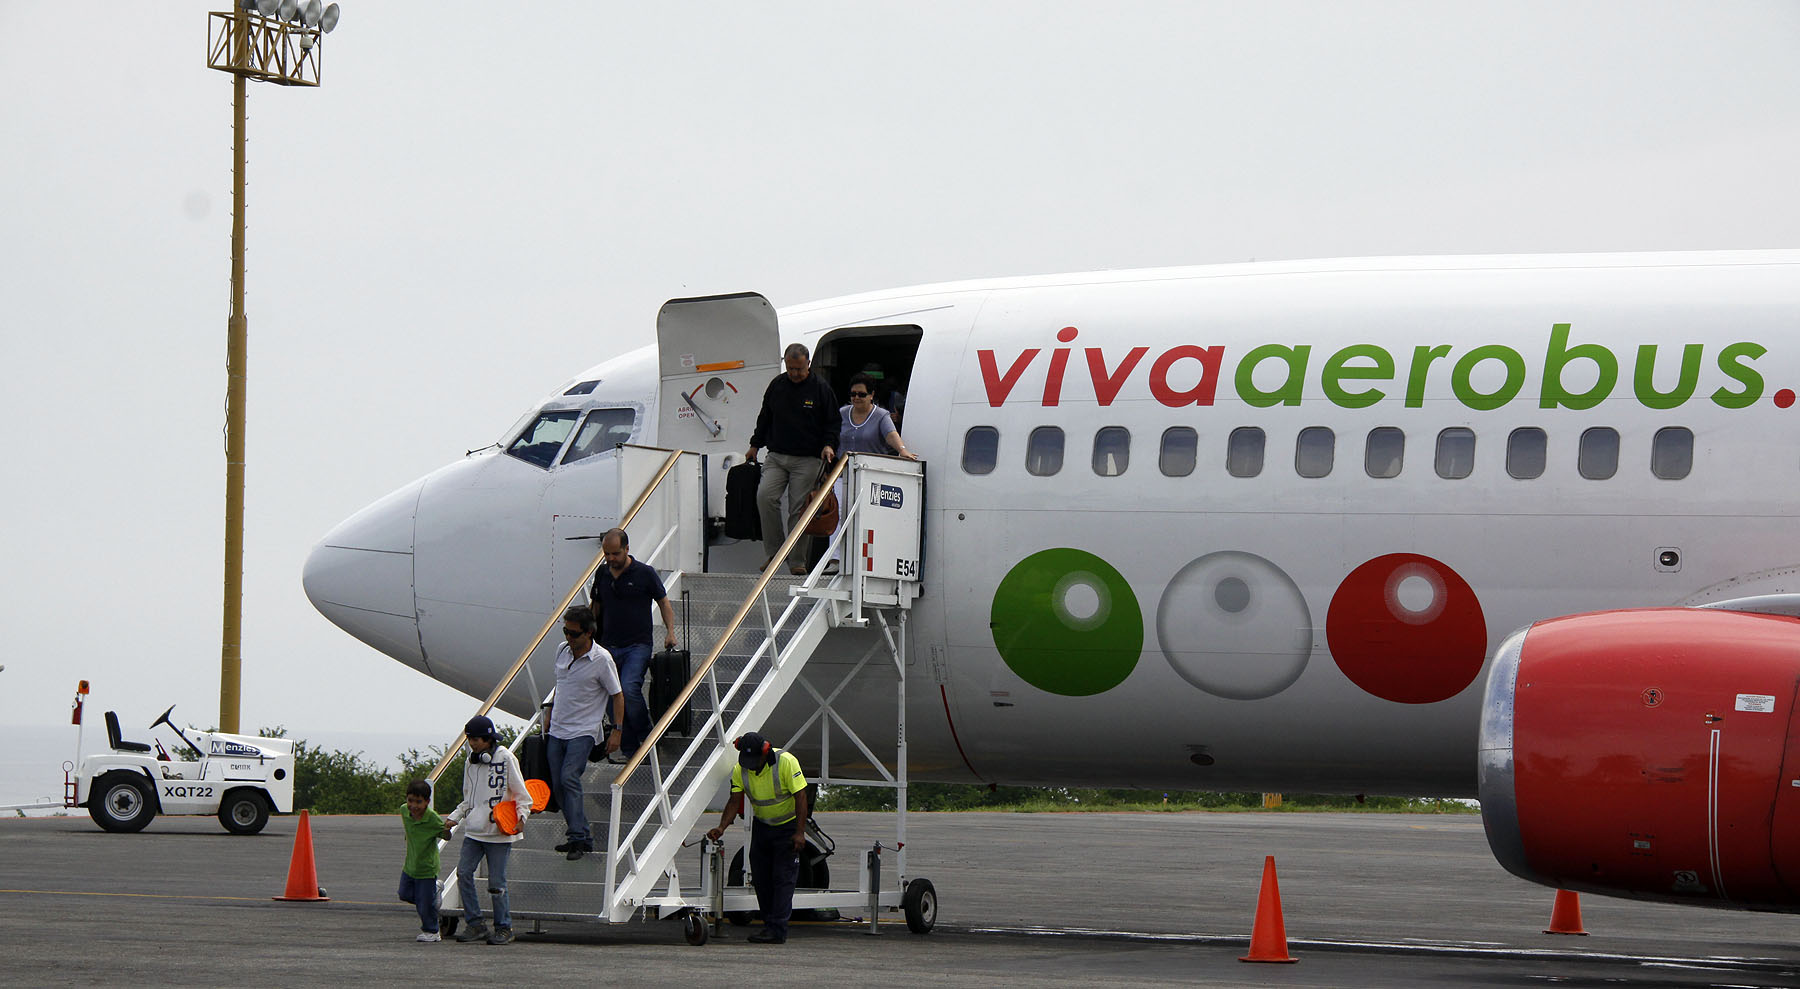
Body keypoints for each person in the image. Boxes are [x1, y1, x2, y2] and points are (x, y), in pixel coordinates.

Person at [705, 731, 809, 944]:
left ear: (765, 752)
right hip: (762, 828)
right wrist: (722, 827)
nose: (750, 765)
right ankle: (769, 925)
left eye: (754, 760)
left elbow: (801, 796)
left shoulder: (786, 762)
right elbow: (734, 800)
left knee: (783, 879)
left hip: (787, 829)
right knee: (761, 879)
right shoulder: (741, 770)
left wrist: (800, 832)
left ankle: (777, 930)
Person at [746, 343, 841, 575]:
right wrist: (754, 444)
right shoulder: (777, 385)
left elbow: (833, 422)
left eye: (799, 369)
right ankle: (775, 554)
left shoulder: (820, 389)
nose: (795, 374)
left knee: (799, 509)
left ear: (808, 364)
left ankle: (797, 560)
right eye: (790, 368)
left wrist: (829, 445)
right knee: (765, 496)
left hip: (807, 459)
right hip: (777, 456)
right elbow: (765, 416)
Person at [590, 529, 677, 763]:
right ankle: (629, 750)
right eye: (606, 554)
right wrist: (589, 636)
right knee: (611, 696)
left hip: (637, 644)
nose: (610, 559)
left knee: (628, 689)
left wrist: (670, 632)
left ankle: (647, 737)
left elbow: (664, 602)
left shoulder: (644, 574)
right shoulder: (602, 574)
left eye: (615, 554)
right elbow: (595, 606)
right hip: (608, 645)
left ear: (627, 549)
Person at [544, 606, 623, 861]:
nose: (569, 638)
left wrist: (617, 731)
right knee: (557, 785)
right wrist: (549, 712)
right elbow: (561, 685)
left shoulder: (602, 659)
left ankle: (578, 837)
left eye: (574, 634)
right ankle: (580, 836)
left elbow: (617, 695)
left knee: (569, 777)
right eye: (566, 632)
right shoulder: (562, 651)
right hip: (557, 727)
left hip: (584, 730)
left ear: (589, 633)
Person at [444, 715, 531, 945]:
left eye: (476, 739)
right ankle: (475, 924)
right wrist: (455, 817)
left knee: (496, 883)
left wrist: (522, 817)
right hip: (474, 831)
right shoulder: (471, 762)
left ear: (488, 739)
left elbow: (523, 794)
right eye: (470, 739)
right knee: (464, 873)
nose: (472, 743)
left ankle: (504, 927)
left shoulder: (506, 758)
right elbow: (468, 798)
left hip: (499, 832)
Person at [827, 372, 920, 574]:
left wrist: (902, 450)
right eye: (853, 394)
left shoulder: (880, 415)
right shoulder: (842, 413)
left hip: (869, 475)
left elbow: (890, 435)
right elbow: (831, 433)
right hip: (843, 473)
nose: (857, 398)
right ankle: (835, 559)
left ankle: (866, 561)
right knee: (839, 513)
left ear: (871, 395)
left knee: (866, 517)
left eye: (861, 394)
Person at [398, 779, 450, 942]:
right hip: (410, 864)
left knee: (423, 903)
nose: (413, 806)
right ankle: (434, 893)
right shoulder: (404, 811)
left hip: (427, 868)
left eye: (419, 802)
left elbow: (446, 835)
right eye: (410, 800)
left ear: (427, 802)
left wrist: (447, 828)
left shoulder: (433, 819)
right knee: (404, 894)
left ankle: (432, 931)